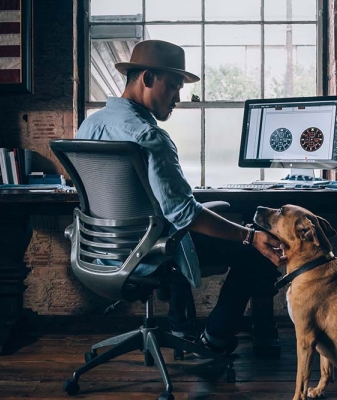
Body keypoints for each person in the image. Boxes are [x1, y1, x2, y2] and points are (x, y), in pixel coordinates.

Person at [76, 40, 286, 354]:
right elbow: (184, 214)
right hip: (148, 252)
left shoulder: (88, 127)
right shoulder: (150, 136)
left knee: (203, 232)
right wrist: (250, 236)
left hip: (102, 250)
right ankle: (216, 339)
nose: (177, 99)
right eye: (173, 87)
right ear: (147, 79)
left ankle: (181, 327)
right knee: (256, 247)